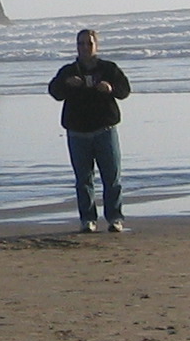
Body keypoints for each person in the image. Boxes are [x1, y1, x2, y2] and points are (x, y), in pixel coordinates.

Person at [47, 28, 132, 231]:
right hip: (77, 132)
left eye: (89, 43)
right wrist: (67, 84)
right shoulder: (69, 70)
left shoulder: (109, 68)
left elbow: (125, 90)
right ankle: (88, 219)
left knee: (111, 177)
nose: (85, 47)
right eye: (81, 43)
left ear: (96, 45)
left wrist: (110, 88)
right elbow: (54, 91)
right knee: (83, 179)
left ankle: (115, 218)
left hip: (105, 129)